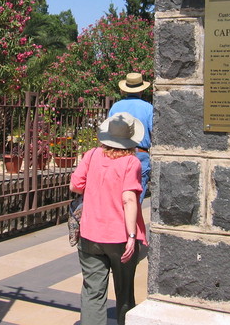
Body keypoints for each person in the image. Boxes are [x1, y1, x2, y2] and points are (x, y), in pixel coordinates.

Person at [70, 112, 148, 325]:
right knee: (124, 292)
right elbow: (129, 200)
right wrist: (132, 235)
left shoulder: (92, 155)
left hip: (90, 234)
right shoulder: (131, 162)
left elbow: (75, 185)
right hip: (120, 238)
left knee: (92, 291)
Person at [109, 72, 153, 202]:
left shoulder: (116, 107)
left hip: (117, 153)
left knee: (117, 198)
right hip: (139, 153)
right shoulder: (148, 108)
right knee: (135, 200)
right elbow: (154, 131)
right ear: (142, 90)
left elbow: (109, 130)